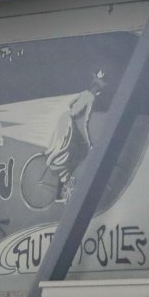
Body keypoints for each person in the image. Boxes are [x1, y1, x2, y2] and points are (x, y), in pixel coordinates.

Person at [46, 71, 106, 201]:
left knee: (68, 148)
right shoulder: (92, 99)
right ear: (98, 91)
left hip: (64, 117)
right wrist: (90, 142)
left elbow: (69, 104)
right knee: (81, 150)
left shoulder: (84, 93)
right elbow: (85, 123)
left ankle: (60, 170)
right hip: (69, 122)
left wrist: (75, 111)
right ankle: (64, 179)